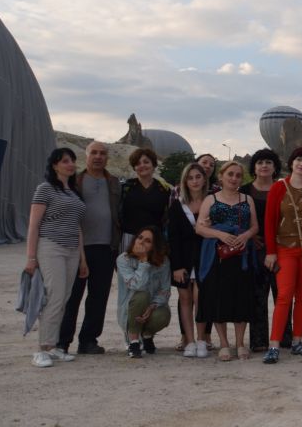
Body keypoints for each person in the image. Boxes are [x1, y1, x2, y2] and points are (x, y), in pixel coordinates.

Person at [262, 147, 302, 364]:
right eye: (299, 159)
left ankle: (298, 341)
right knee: (284, 296)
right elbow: (269, 223)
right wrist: (271, 252)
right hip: (285, 249)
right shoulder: (279, 188)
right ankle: (274, 345)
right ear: (292, 162)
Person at [25, 148, 89, 367]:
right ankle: (41, 349)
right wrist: (31, 258)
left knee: (64, 298)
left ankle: (53, 347)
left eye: (72, 161)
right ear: (54, 165)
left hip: (72, 250)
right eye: (65, 161)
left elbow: (77, 227)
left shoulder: (74, 192)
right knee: (54, 296)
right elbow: (34, 225)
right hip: (51, 246)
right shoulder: (45, 189)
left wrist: (82, 258)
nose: (70, 165)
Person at [57, 140, 120, 355]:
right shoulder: (75, 181)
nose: (98, 157)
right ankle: (62, 342)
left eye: (103, 153)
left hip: (106, 247)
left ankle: (88, 341)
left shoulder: (114, 182)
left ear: (107, 157)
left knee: (98, 297)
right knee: (72, 297)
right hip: (78, 248)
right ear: (86, 155)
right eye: (94, 152)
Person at [194, 161, 259, 361]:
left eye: (238, 175)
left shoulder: (247, 199)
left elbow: (255, 226)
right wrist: (219, 235)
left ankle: (240, 343)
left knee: (241, 297)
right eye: (230, 174)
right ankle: (224, 343)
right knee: (218, 298)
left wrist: (246, 236)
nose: (234, 178)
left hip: (241, 255)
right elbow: (199, 228)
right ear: (221, 176)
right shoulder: (210, 199)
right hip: (217, 255)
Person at [241, 148, 289, 352]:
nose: (264, 166)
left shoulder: (284, 189)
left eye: (268, 162)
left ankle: (284, 339)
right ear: (254, 167)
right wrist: (251, 236)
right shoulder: (244, 191)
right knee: (257, 296)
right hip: (253, 250)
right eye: (260, 162)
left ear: (274, 167)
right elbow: (238, 218)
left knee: (283, 295)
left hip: (280, 247)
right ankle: (259, 341)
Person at [167, 162, 208, 357]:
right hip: (183, 258)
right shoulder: (177, 205)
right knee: (185, 299)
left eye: (198, 177)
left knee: (201, 298)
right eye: (190, 178)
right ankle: (189, 341)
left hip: (204, 257)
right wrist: (176, 266)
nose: (194, 181)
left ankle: (202, 340)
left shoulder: (212, 202)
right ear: (185, 181)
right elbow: (172, 237)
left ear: (204, 179)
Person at [116, 226, 172, 358]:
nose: (141, 242)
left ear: (154, 246)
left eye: (147, 241)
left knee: (163, 315)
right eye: (140, 238)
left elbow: (165, 290)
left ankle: (147, 335)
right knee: (142, 295)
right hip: (129, 309)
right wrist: (144, 261)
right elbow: (137, 286)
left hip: (151, 307)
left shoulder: (163, 262)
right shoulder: (123, 259)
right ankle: (133, 341)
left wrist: (152, 307)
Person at [119, 147, 170, 254]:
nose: (142, 165)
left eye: (146, 162)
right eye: (138, 163)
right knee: (128, 269)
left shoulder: (164, 189)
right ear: (134, 167)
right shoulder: (126, 187)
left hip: (154, 239)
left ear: (154, 165)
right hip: (129, 237)